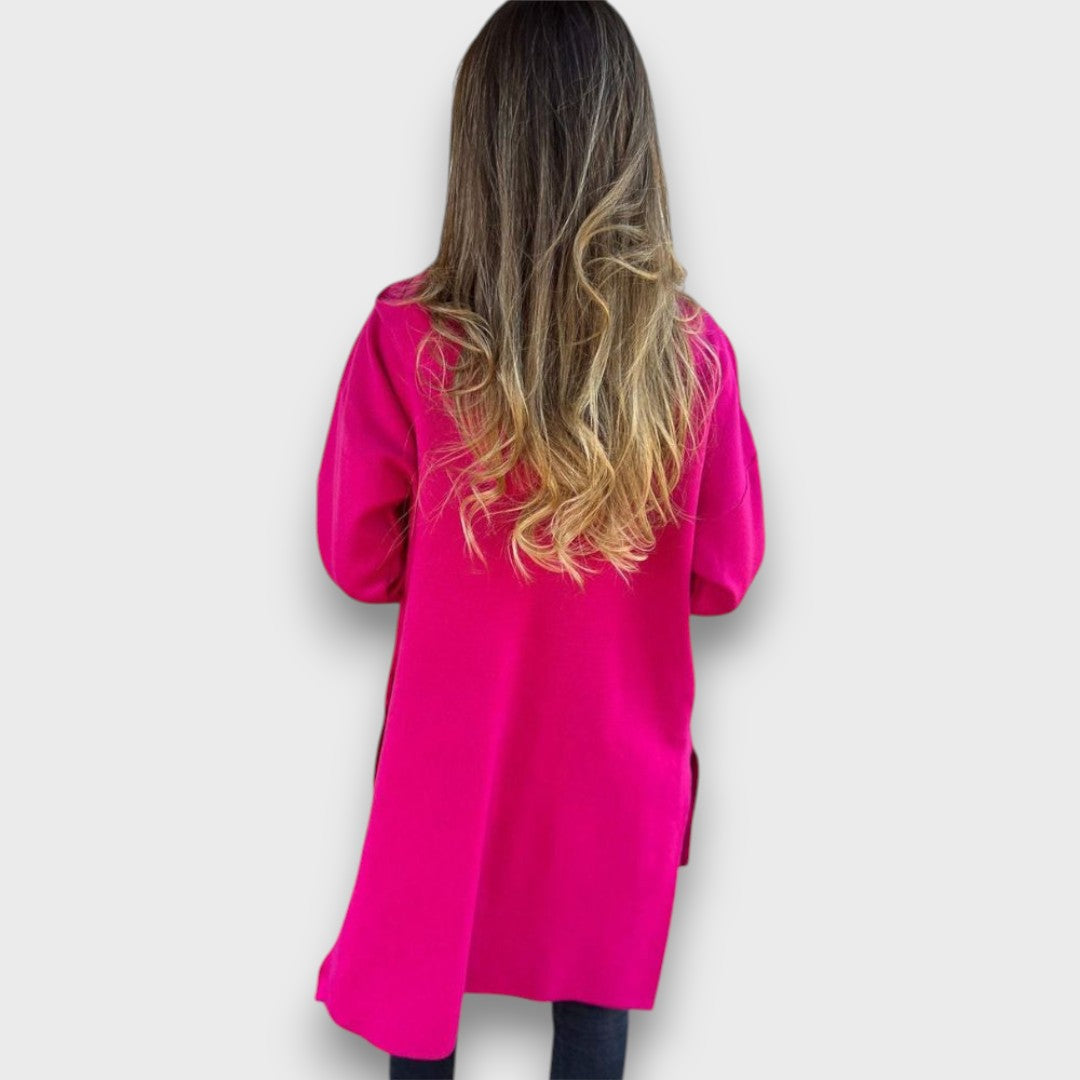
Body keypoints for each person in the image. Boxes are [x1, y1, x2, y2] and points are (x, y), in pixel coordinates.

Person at [312, 2, 766, 1077]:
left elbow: (357, 561)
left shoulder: (407, 339)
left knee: (421, 1005)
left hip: (451, 760)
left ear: (478, 147)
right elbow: (722, 574)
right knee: (593, 1009)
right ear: (631, 145)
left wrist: (464, 565)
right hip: (614, 763)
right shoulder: (693, 359)